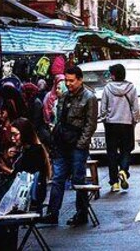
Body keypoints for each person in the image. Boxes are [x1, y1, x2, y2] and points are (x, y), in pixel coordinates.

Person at [0, 118, 51, 248]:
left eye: (16, 134)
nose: (13, 138)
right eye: (12, 135)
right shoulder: (29, 150)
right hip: (22, 193)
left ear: (25, 134)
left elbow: (21, 177)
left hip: (26, 198)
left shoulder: (33, 152)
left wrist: (5, 167)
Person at [42, 66, 98, 226]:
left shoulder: (89, 98)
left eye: (71, 80)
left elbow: (90, 125)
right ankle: (52, 213)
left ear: (80, 80)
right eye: (66, 80)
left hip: (77, 146)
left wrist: (81, 144)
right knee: (58, 178)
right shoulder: (64, 96)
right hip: (62, 144)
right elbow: (59, 120)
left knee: (78, 179)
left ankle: (82, 213)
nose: (68, 83)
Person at [99, 63, 139, 193]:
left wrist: (104, 119)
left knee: (111, 153)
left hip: (111, 125)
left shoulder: (107, 88)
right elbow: (136, 108)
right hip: (127, 124)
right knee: (126, 150)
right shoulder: (131, 88)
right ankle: (123, 170)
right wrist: (134, 120)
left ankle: (114, 183)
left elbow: (103, 108)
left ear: (113, 75)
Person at [22, 82, 50, 148]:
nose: (22, 94)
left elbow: (36, 120)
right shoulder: (30, 101)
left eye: (24, 92)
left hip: (39, 131)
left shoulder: (36, 103)